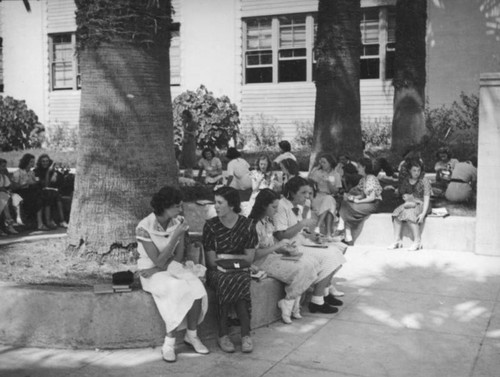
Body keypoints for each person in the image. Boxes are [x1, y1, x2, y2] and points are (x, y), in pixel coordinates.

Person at [136, 186, 209, 362]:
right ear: (165, 206)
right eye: (177, 206)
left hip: (168, 266)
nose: (180, 210)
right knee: (177, 288)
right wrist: (176, 236)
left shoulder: (178, 221)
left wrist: (179, 235)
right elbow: (158, 261)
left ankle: (191, 335)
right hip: (149, 270)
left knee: (196, 286)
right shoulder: (144, 227)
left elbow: (178, 257)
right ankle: (169, 342)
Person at [274, 176, 347, 314]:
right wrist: (302, 224)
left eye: (309, 193)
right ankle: (317, 301)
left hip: (301, 241)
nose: (307, 196)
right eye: (303, 193)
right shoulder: (281, 206)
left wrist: (312, 236)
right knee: (330, 255)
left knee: (339, 248)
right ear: (292, 192)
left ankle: (324, 292)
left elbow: (301, 231)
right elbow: (281, 236)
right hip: (289, 247)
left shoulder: (298, 207)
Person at [249, 189, 324, 324]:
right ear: (263, 205)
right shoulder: (253, 225)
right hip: (261, 262)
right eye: (274, 207)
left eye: (277, 207)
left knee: (312, 263)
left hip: (272, 257)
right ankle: (288, 301)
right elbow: (254, 255)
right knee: (302, 268)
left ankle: (293, 302)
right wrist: (278, 246)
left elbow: (271, 245)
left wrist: (286, 249)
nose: (276, 210)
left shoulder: (268, 221)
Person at [202, 186, 258, 353]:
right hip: (216, 272)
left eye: (220, 203)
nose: (215, 207)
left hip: (240, 271)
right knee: (226, 279)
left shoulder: (248, 225)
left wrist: (225, 257)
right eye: (215, 202)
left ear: (232, 205)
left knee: (240, 278)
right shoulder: (211, 226)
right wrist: (233, 260)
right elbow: (212, 261)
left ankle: (245, 334)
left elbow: (249, 258)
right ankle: (224, 334)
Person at [389, 158, 431, 251]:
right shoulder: (406, 181)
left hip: (422, 203)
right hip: (410, 202)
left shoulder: (424, 180)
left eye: (419, 170)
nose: (417, 173)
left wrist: (423, 214)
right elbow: (405, 196)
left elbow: (427, 198)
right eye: (414, 170)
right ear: (409, 171)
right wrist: (409, 202)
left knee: (409, 214)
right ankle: (397, 240)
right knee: (396, 213)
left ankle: (417, 241)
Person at [337, 157, 382, 245]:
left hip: (373, 204)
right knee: (346, 203)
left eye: (359, 166)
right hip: (367, 201)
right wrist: (353, 198)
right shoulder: (363, 179)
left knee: (347, 208)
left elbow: (372, 197)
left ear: (364, 167)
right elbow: (362, 195)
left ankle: (342, 228)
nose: (357, 168)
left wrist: (358, 202)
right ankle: (347, 237)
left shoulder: (371, 178)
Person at [308, 154, 341, 240]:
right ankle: (329, 234)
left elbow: (335, 191)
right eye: (321, 162)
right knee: (330, 206)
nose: (322, 164)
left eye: (324, 162)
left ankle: (318, 226)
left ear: (330, 163)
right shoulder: (317, 172)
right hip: (318, 196)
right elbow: (310, 186)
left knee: (329, 199)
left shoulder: (336, 175)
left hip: (329, 195)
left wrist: (329, 183)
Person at [10, 153, 45, 230]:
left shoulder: (32, 173)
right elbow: (14, 187)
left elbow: (35, 183)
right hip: (21, 192)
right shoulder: (18, 173)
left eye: (33, 162)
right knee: (38, 197)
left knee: (40, 197)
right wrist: (25, 184)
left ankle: (40, 223)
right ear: (26, 162)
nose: (33, 164)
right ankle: (39, 223)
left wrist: (34, 183)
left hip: (30, 191)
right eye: (31, 162)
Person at [33, 154, 68, 229]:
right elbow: (45, 185)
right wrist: (48, 172)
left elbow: (58, 183)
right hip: (39, 191)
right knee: (50, 195)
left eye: (47, 161)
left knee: (57, 196)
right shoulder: (36, 171)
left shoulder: (53, 170)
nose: (45, 163)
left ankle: (62, 221)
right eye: (43, 161)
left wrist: (56, 174)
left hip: (51, 192)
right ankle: (49, 221)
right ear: (40, 162)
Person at [0, 159, 20, 235]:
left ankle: (14, 221)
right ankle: (9, 224)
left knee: (14, 199)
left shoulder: (4, 176)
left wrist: (11, 189)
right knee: (4, 202)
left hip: (3, 195)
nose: (4, 168)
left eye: (5, 166)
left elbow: (8, 186)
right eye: (2, 166)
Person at [180, 110, 198, 178]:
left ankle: (190, 174)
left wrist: (186, 131)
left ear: (188, 116)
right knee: (185, 156)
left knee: (190, 156)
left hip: (191, 141)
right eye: (183, 117)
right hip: (185, 141)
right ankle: (186, 173)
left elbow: (194, 134)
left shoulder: (193, 123)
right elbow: (183, 132)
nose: (184, 118)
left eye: (185, 116)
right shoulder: (183, 122)